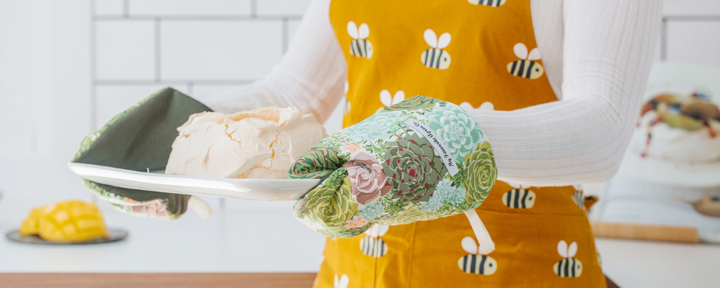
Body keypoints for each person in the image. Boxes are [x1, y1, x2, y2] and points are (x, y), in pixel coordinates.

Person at [208, 0, 661, 287]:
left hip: (517, 269)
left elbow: (603, 127)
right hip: (360, 270)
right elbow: (297, 92)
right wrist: (174, 122)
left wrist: (436, 140)